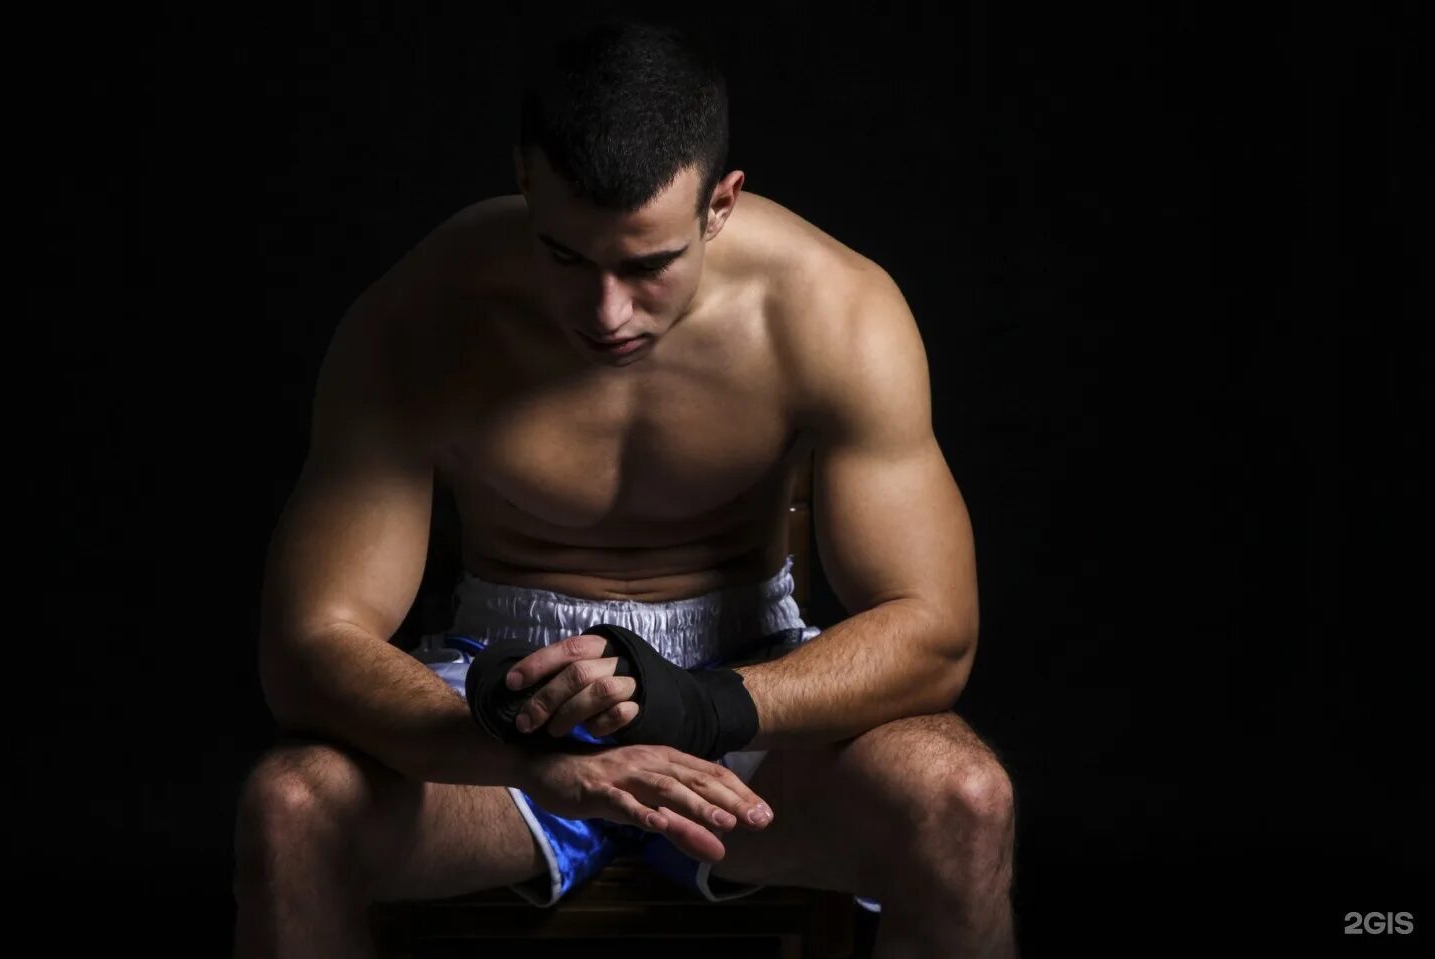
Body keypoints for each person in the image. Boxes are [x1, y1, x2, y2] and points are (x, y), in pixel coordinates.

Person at [233, 17, 1017, 959]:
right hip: (503, 702)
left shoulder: (833, 311)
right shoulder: (421, 317)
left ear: (719, 205)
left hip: (747, 695)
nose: (606, 313)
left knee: (963, 799)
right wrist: (513, 742)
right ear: (526, 181)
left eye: (647, 266)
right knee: (291, 808)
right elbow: (308, 646)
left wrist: (709, 706)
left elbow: (938, 632)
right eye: (567, 256)